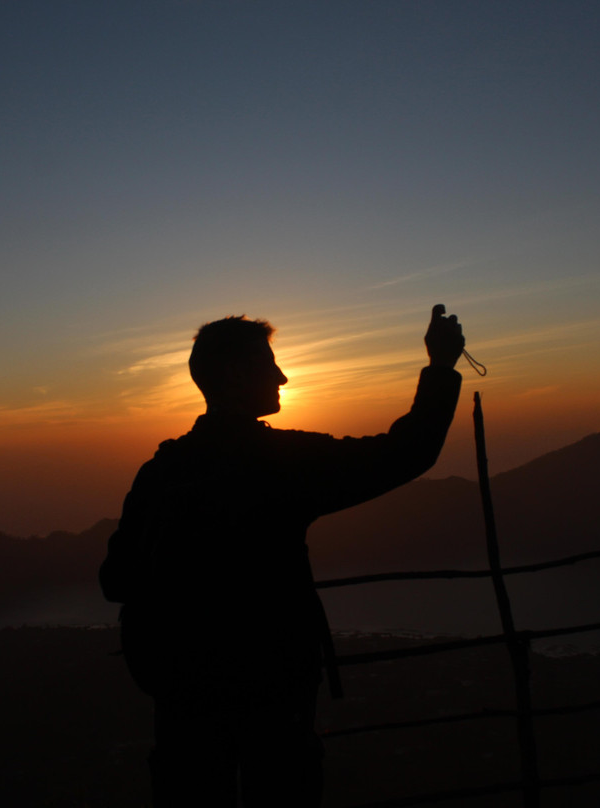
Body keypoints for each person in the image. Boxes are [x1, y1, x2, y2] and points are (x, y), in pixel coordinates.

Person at [99, 304, 465, 807]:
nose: (283, 376)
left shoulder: (160, 472)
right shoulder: (279, 464)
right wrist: (441, 368)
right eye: (268, 364)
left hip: (183, 696)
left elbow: (116, 581)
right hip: (273, 692)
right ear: (234, 375)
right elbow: (405, 453)